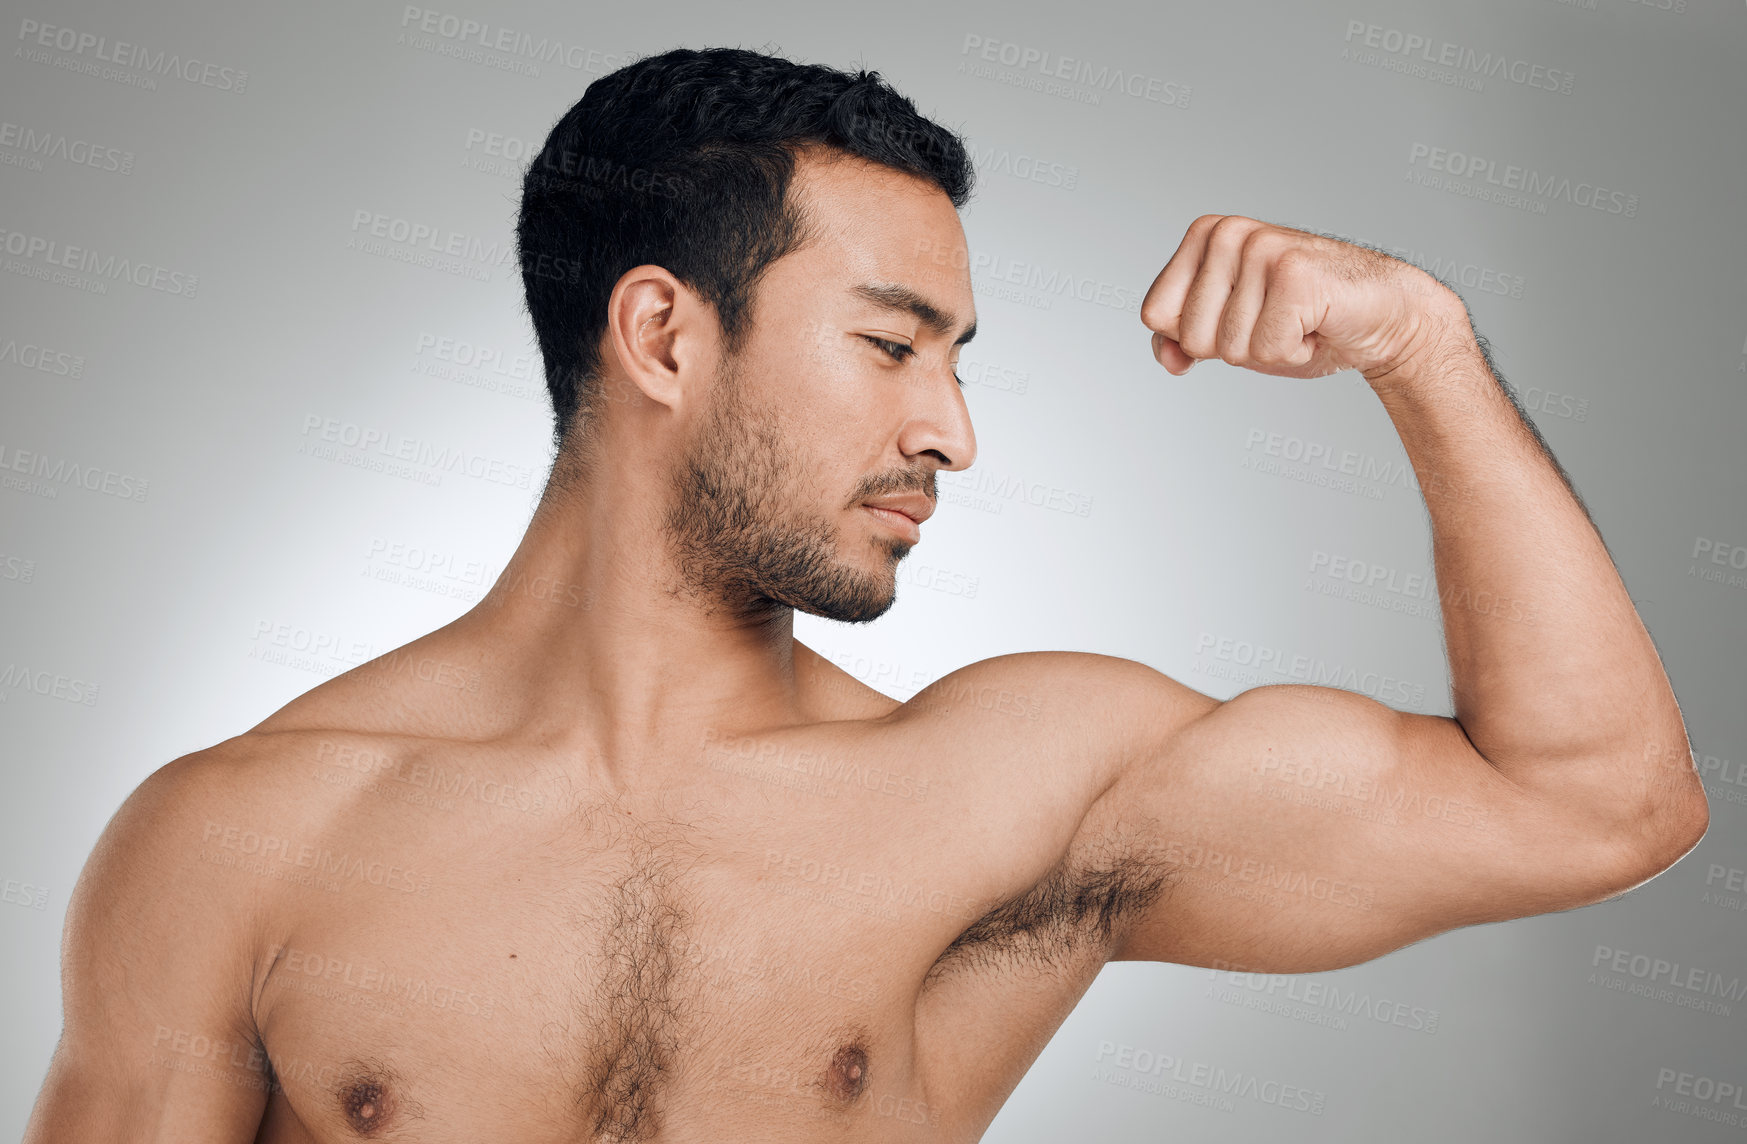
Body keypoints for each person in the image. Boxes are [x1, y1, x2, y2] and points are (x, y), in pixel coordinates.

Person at [24, 45, 1706, 1144]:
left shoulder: (1004, 796)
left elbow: (1598, 804)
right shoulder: (238, 840)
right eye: (894, 345)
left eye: (957, 361)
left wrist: (1422, 349)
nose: (951, 431)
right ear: (665, 337)